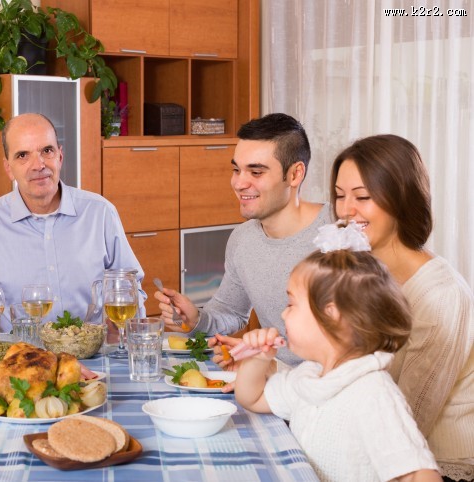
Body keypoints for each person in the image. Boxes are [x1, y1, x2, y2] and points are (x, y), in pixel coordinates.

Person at [235, 230, 441, 482]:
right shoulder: (311, 377)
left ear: (331, 315)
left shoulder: (372, 393)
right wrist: (259, 359)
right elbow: (252, 398)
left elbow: (420, 473)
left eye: (291, 304)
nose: (283, 315)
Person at [332, 134, 473, 481]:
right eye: (339, 195)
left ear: (400, 199)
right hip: (379, 444)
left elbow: (411, 417)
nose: (346, 210)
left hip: (434, 464)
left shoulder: (441, 295)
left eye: (362, 197)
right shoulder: (363, 273)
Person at [155, 113, 330, 367]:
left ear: (294, 175)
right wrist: (195, 320)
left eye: (256, 172)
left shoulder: (338, 232)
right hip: (271, 385)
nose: (238, 183)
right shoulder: (243, 239)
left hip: (327, 391)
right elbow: (231, 312)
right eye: (236, 169)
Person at [0, 113, 145, 330]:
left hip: (94, 357)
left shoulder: (101, 213)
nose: (38, 165)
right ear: (8, 168)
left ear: (60, 156)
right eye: (23, 155)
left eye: (46, 151)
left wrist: (123, 328)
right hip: (19, 358)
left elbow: (133, 291)